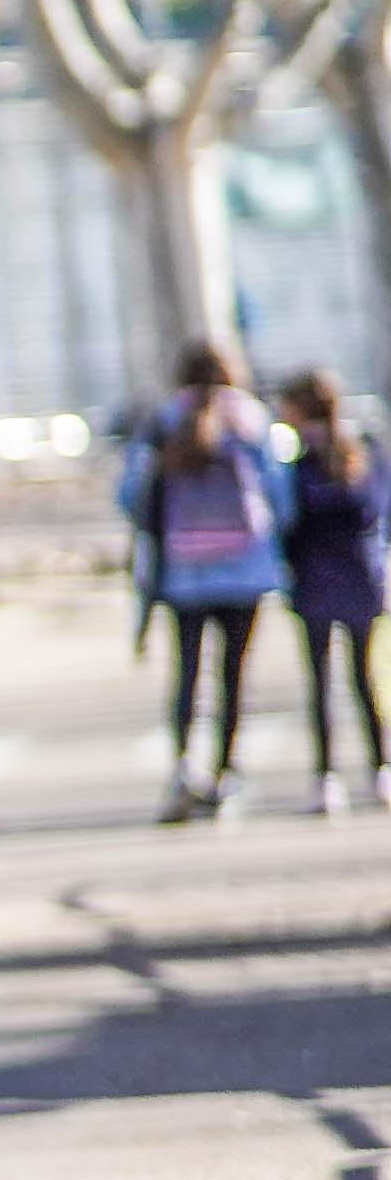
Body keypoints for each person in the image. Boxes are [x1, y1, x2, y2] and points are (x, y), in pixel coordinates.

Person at [121, 343, 289, 821]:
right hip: (245, 570)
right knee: (232, 676)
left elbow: (131, 495)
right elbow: (280, 495)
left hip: (184, 571)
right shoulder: (250, 421)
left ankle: (182, 769)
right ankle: (226, 771)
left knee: (187, 674)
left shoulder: (164, 422)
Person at [282, 371, 381, 815]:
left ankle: (327, 776)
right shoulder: (361, 450)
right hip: (359, 577)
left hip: (316, 581)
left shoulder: (300, 462)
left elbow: (288, 522)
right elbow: (374, 513)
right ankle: (379, 768)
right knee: (363, 677)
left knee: (322, 681)